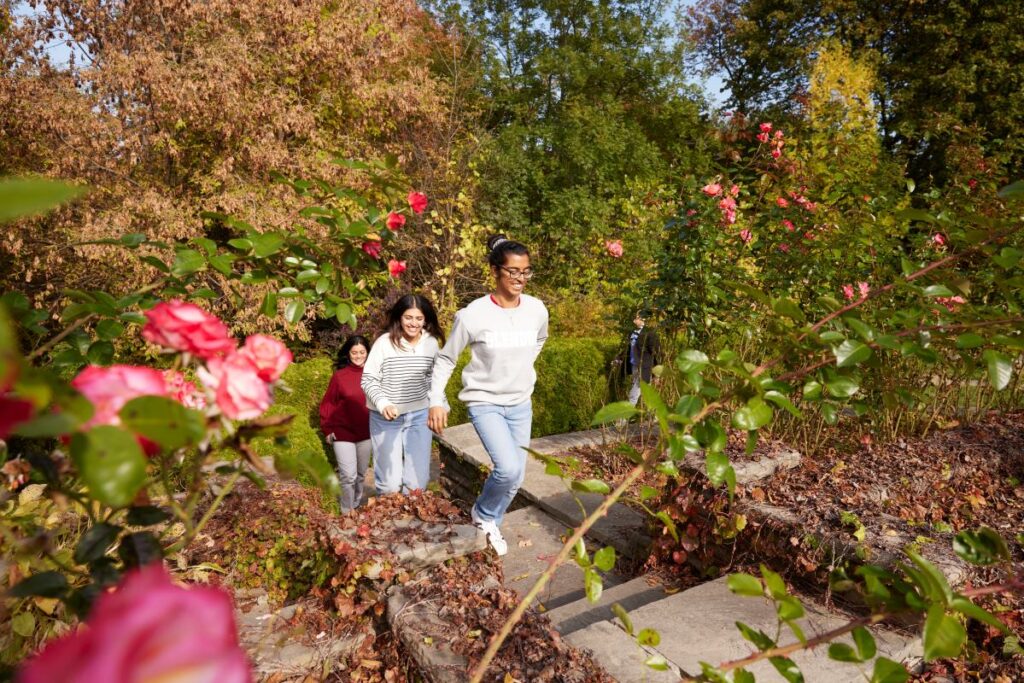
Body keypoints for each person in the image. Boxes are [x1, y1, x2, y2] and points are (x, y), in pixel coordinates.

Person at [427, 235, 549, 555]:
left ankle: (487, 518)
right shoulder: (473, 315)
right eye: (513, 272)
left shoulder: (537, 310)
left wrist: (520, 367)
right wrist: (436, 400)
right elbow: (446, 359)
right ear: (495, 271)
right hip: (485, 401)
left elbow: (540, 340)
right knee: (508, 468)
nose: (520, 279)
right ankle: (483, 516)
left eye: (526, 272)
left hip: (521, 402)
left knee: (516, 474)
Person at [361, 294, 445, 495]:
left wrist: (440, 406)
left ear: (425, 320)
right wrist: (383, 403)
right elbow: (368, 379)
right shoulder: (384, 343)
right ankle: (388, 521)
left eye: (418, 318)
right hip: (385, 418)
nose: (413, 323)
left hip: (419, 415)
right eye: (408, 317)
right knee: (389, 485)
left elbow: (435, 380)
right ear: (399, 317)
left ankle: (412, 523)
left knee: (416, 485)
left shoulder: (431, 344)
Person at [319, 335, 372, 513]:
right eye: (354, 352)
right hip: (342, 433)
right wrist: (327, 429)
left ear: (368, 352)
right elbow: (328, 404)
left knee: (360, 474)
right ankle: (346, 510)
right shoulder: (340, 377)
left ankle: (356, 502)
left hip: (367, 432)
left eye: (362, 352)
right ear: (348, 354)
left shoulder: (374, 374)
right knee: (348, 475)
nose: (358, 356)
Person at [621, 310, 660, 406]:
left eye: (636, 318)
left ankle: (624, 418)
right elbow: (629, 348)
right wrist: (619, 358)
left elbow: (655, 354)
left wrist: (656, 373)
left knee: (634, 392)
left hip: (644, 367)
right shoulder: (633, 333)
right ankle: (656, 415)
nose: (634, 321)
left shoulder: (650, 333)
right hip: (634, 366)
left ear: (643, 319)